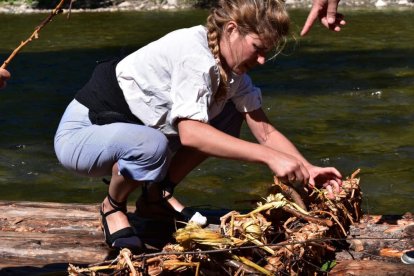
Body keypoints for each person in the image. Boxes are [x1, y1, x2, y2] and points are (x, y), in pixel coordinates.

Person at [54, 0, 343, 251]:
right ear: (231, 29)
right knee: (151, 145)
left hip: (132, 134)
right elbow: (191, 135)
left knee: (230, 114)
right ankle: (112, 207)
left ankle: (156, 197)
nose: (262, 60)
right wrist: (269, 157)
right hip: (83, 135)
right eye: (257, 48)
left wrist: (306, 169)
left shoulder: (233, 70)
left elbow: (264, 131)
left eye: (267, 51)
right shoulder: (194, 55)